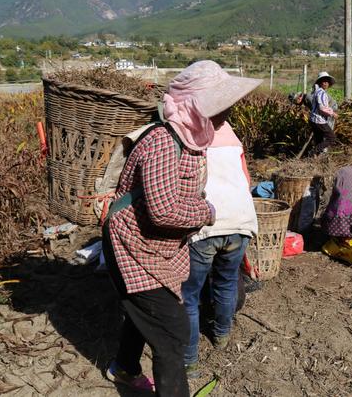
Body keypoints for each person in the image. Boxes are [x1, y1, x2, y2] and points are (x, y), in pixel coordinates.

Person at [101, 60, 262, 396]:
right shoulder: (162, 141)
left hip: (158, 246)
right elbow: (164, 211)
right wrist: (206, 211)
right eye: (217, 106)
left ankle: (124, 368)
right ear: (191, 108)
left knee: (145, 311)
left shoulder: (190, 140)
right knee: (172, 332)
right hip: (132, 245)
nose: (224, 113)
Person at [181, 119, 258, 379]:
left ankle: (189, 361)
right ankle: (222, 336)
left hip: (207, 222)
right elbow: (246, 181)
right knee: (226, 281)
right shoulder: (232, 137)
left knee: (189, 294)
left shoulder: (188, 135)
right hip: (240, 220)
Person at [309, 71, 338, 155]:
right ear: (320, 83)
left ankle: (315, 157)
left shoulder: (317, 92)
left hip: (313, 120)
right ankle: (313, 152)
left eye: (327, 82)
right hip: (319, 120)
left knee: (319, 139)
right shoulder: (321, 93)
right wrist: (333, 114)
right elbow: (322, 108)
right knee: (332, 138)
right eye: (323, 82)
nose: (325, 83)